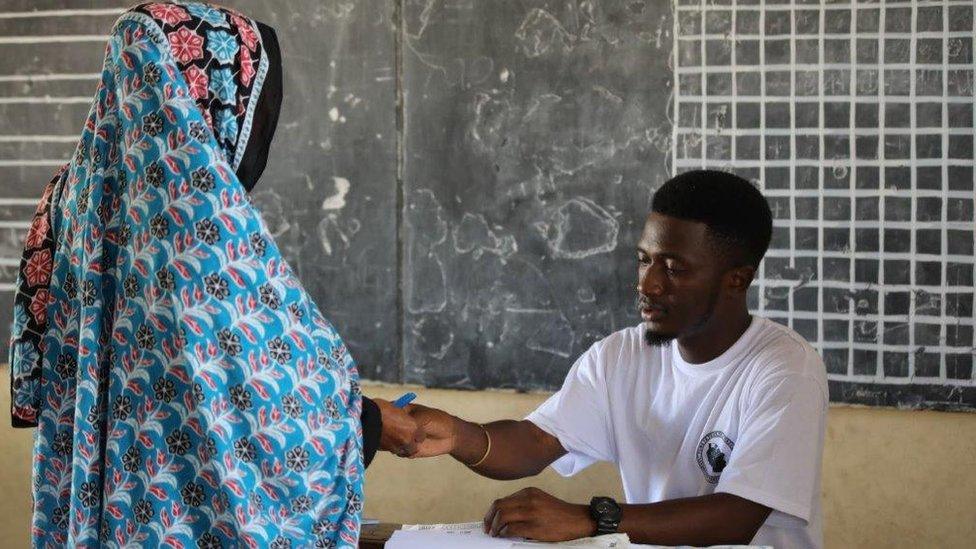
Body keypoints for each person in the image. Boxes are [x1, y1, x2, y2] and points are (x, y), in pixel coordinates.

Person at [8, 3, 419, 547]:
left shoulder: (69, 198)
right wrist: (365, 421)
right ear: (215, 99)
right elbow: (271, 392)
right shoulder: (195, 214)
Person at [406, 170, 828, 548]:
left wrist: (592, 519)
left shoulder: (785, 369)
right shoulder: (621, 355)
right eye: (645, 260)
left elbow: (737, 517)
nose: (649, 284)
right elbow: (535, 442)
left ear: (737, 280)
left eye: (674, 269)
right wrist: (458, 435)